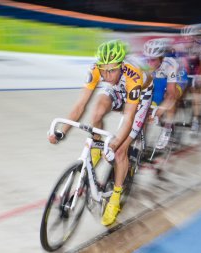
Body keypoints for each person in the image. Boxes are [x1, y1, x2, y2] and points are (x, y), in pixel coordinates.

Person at [48, 40, 153, 226]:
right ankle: (96, 148)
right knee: (96, 112)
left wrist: (113, 144)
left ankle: (115, 197)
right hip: (117, 90)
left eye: (111, 70)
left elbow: (128, 119)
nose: (106, 74)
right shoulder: (97, 70)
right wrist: (62, 132)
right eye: (103, 70)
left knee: (120, 151)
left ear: (121, 65)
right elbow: (80, 105)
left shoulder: (133, 74)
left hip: (140, 96)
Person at [143, 38, 187, 149]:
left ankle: (167, 128)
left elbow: (171, 93)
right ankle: (143, 141)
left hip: (179, 78)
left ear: (161, 58)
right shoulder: (146, 64)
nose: (149, 63)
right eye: (147, 59)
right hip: (161, 78)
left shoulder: (170, 64)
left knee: (169, 96)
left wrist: (157, 112)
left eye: (153, 60)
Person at [174, 23, 201, 132]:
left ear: (194, 38)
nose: (187, 41)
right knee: (178, 93)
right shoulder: (179, 46)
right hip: (185, 70)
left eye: (190, 39)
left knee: (197, 94)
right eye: (185, 38)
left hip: (198, 69)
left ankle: (196, 119)